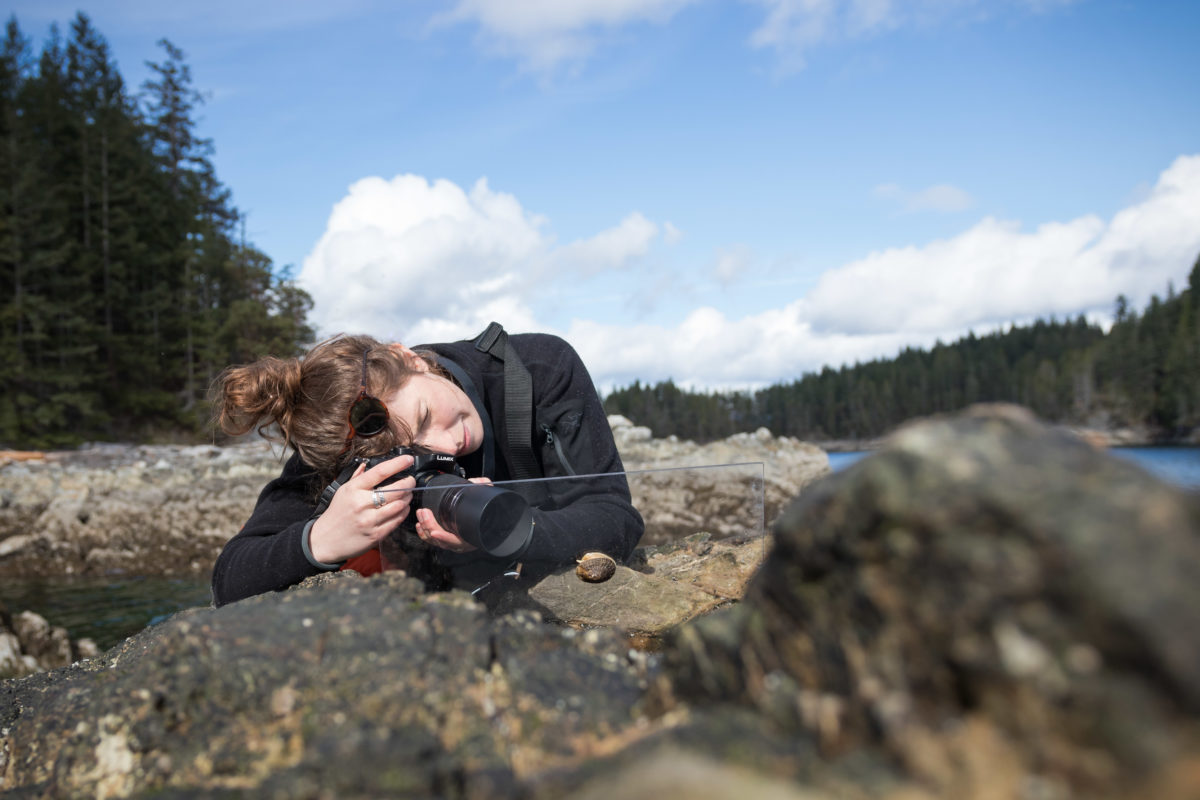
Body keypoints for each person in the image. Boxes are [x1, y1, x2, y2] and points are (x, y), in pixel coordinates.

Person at [209, 323, 643, 607]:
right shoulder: (344, 447)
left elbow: (616, 516)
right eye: (410, 450)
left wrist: (508, 533)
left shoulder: (537, 369)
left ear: (410, 359)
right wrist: (321, 539)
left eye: (422, 417)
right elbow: (230, 578)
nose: (446, 446)